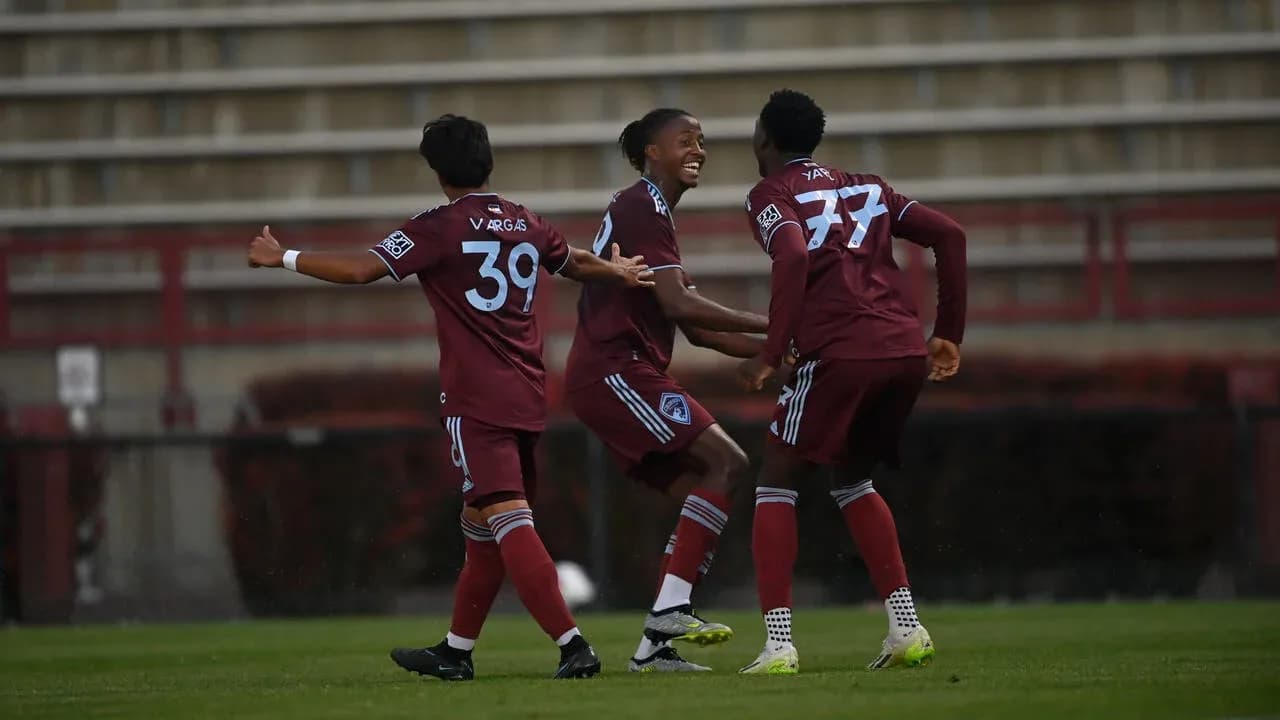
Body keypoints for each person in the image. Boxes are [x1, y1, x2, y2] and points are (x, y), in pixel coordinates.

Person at [246, 114, 655, 681]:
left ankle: (572, 645)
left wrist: (284, 257)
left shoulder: (436, 227)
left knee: (510, 520)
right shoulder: (522, 220)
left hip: (475, 399)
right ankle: (456, 652)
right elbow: (572, 262)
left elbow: (365, 268)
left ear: (436, 169)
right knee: (482, 526)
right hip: (528, 393)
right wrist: (617, 272)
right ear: (487, 161)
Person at [735, 89, 968, 674]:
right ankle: (906, 628)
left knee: (775, 483)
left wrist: (770, 351)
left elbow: (790, 255)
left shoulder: (771, 192)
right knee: (851, 478)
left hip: (841, 351)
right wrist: (949, 332)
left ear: (764, 139)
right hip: (901, 351)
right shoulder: (870, 186)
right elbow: (951, 235)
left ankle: (779, 644)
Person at [563, 108, 770, 672]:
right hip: (615, 370)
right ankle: (670, 613)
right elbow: (682, 305)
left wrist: (776, 352)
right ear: (652, 151)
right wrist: (776, 325)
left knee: (703, 492)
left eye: (702, 140)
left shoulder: (650, 212)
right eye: (685, 141)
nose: (698, 149)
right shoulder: (642, 204)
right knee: (726, 462)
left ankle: (654, 648)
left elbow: (698, 330)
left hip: (617, 371)